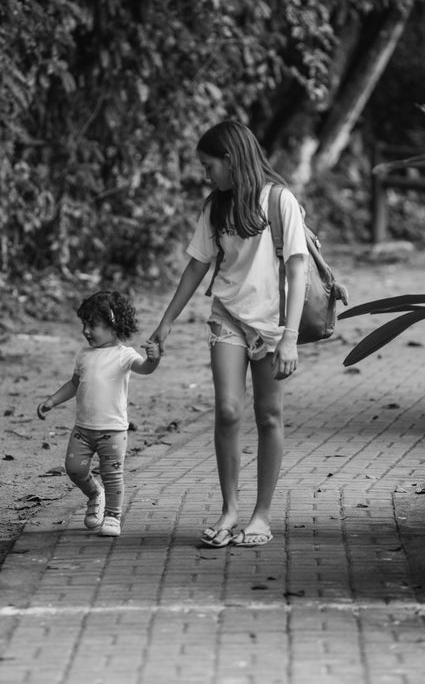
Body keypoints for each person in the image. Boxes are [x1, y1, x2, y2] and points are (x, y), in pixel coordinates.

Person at [150, 120, 308, 548]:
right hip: (228, 316)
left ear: (231, 160)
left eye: (209, 165)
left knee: (268, 416)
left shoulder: (279, 200)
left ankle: (261, 516)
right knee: (227, 411)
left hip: (273, 324)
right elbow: (197, 265)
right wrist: (165, 324)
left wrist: (290, 336)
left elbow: (297, 266)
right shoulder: (214, 207)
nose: (205, 174)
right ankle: (229, 510)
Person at [37, 290, 160, 537]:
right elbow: (74, 384)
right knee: (74, 469)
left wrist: (153, 359)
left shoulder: (125, 355)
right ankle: (95, 494)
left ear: (114, 326)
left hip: (113, 431)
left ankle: (113, 517)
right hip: (83, 429)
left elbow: (144, 369)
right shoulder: (84, 355)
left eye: (93, 325)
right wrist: (53, 400)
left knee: (112, 475)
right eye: (84, 324)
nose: (86, 331)